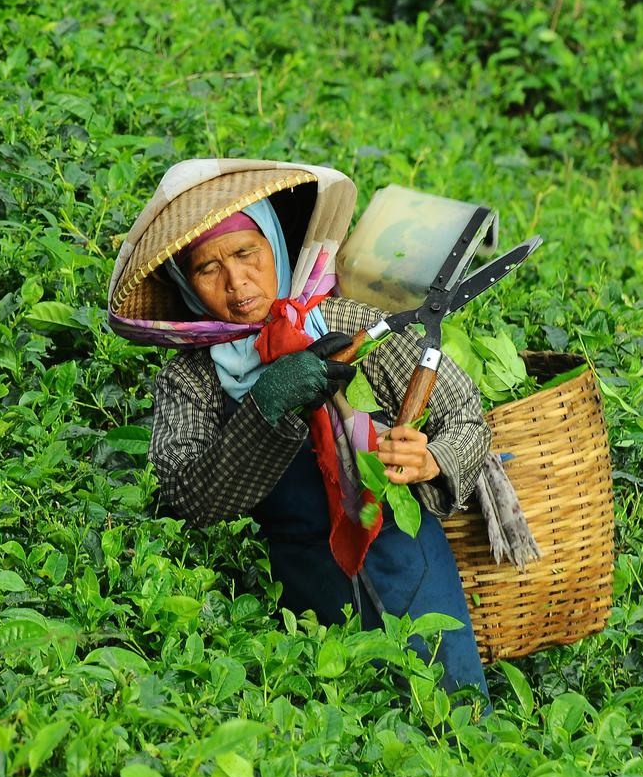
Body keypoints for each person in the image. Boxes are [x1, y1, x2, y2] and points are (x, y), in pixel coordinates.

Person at [120, 163, 492, 700]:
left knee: (455, 720)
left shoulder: (344, 318)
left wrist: (433, 458)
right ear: (186, 283)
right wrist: (265, 408)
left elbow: (463, 410)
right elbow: (185, 495)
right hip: (302, 593)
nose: (236, 281)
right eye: (208, 269)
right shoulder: (192, 377)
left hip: (410, 563)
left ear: (274, 242)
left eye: (247, 253)